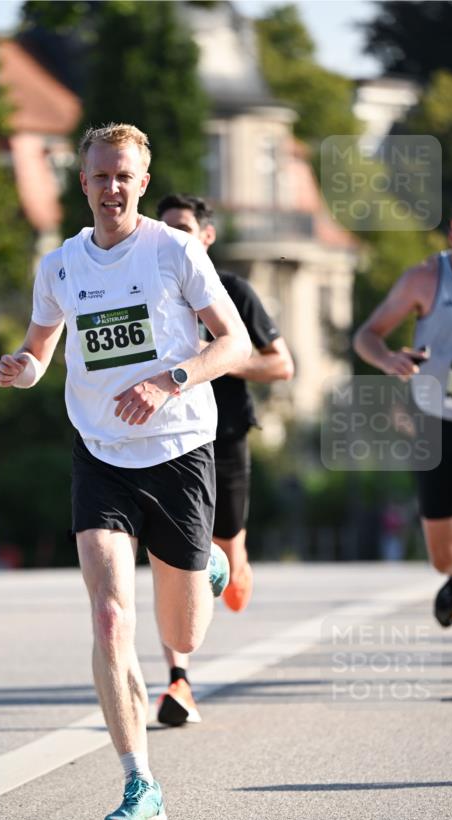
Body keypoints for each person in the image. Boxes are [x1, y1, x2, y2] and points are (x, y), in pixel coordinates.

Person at [0, 123, 250, 820]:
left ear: (141, 182)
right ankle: (140, 782)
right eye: (99, 176)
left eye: (123, 177)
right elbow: (40, 349)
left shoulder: (174, 251)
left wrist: (169, 380)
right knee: (109, 615)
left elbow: (234, 344)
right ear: (82, 183)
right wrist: (24, 368)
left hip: (178, 450)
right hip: (100, 454)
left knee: (184, 634)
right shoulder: (60, 266)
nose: (111, 187)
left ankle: (205, 575)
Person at [354, 193, 452, 701]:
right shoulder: (424, 278)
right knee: (444, 553)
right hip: (436, 425)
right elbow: (367, 335)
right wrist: (389, 361)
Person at [155, 193, 294, 726]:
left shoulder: (232, 290)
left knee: (228, 573)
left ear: (206, 236)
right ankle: (179, 681)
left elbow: (282, 366)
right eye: (164, 227)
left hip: (227, 434)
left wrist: (220, 360)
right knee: (173, 561)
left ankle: (230, 560)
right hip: (171, 441)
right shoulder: (153, 288)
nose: (173, 236)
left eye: (183, 228)